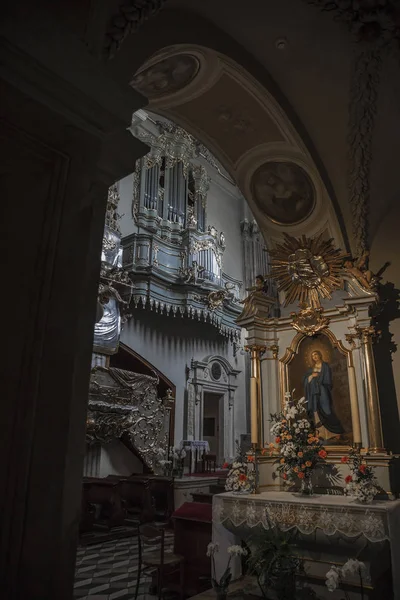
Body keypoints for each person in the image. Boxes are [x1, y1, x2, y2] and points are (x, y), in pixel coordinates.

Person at [303, 350, 344, 440]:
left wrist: (318, 380)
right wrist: (310, 377)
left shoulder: (325, 366)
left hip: (323, 392)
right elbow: (306, 380)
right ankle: (320, 434)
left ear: (320, 355)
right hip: (314, 393)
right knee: (316, 411)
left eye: (316, 355)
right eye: (313, 356)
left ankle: (334, 432)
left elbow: (327, 379)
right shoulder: (312, 368)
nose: (315, 357)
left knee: (326, 410)